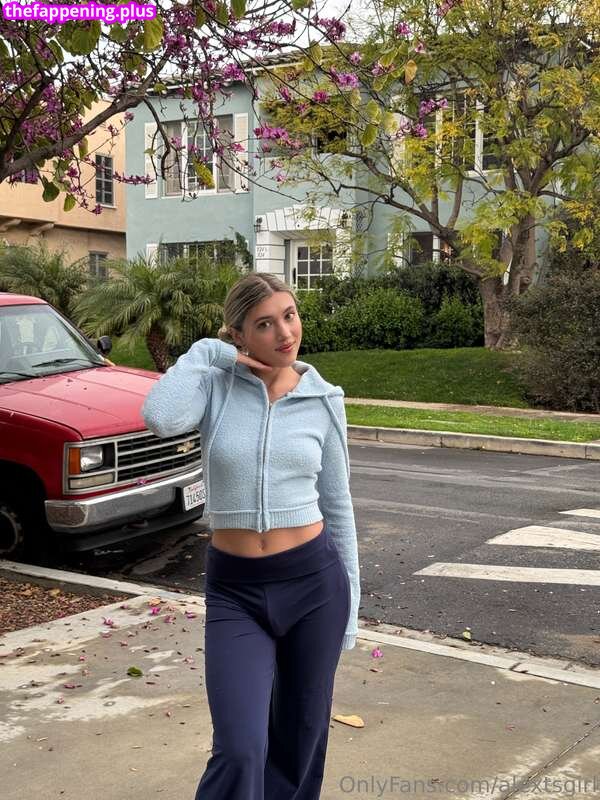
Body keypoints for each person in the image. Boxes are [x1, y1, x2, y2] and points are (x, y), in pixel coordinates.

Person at [141, 272, 360, 800]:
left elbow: (338, 505)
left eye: (289, 315)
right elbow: (160, 417)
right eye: (264, 324)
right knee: (240, 747)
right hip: (236, 591)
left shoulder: (324, 399)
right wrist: (209, 353)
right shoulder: (214, 387)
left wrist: (352, 603)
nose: (285, 333)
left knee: (301, 738)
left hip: (314, 586)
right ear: (238, 334)